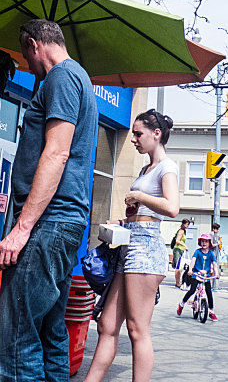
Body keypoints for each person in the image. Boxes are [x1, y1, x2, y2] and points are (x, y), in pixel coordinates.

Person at [0, 19, 97, 381]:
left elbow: (56, 154)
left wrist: (21, 227)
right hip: (62, 225)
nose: (26, 65)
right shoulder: (80, 79)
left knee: (15, 339)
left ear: (33, 44)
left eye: (25, 55)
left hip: (46, 225)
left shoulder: (61, 77)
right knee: (51, 336)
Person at [84, 108, 179, 382]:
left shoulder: (166, 167)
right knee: (107, 324)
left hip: (146, 250)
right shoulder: (145, 168)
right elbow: (144, 212)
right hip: (130, 245)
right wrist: (123, 221)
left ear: (156, 134)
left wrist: (139, 195)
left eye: (138, 134)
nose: (134, 139)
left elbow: (172, 207)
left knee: (138, 330)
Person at [177, 233, 219, 322]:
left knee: (209, 292)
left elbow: (214, 264)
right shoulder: (197, 252)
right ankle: (182, 304)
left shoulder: (211, 253)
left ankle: (211, 311)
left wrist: (217, 273)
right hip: (196, 274)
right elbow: (193, 260)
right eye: (202, 241)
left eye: (206, 241)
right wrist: (190, 270)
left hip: (206, 276)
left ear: (209, 243)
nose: (204, 243)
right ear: (200, 242)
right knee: (192, 290)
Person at [172, 219, 190, 288]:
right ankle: (177, 282)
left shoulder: (183, 231)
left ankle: (178, 282)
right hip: (178, 249)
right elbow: (177, 241)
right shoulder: (181, 231)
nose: (187, 226)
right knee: (178, 266)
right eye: (187, 224)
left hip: (181, 249)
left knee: (180, 266)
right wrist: (184, 245)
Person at [210, 223, 221, 290]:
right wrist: (217, 244)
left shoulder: (215, 235)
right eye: (217, 229)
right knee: (211, 271)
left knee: (213, 271)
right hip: (212, 254)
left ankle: (211, 286)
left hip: (215, 254)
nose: (218, 230)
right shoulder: (211, 235)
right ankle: (209, 286)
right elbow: (211, 245)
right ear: (214, 229)